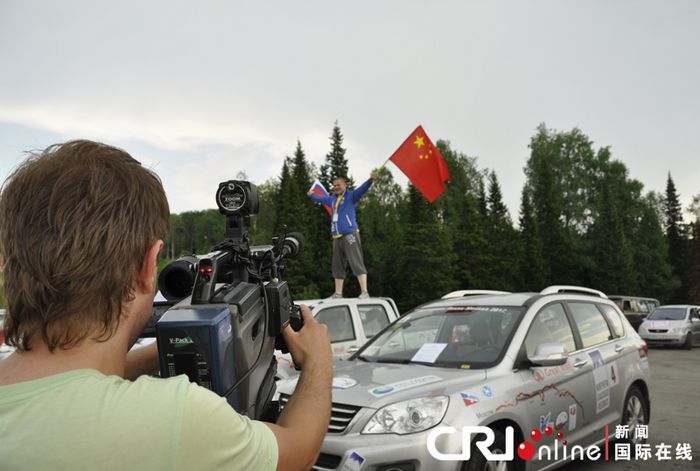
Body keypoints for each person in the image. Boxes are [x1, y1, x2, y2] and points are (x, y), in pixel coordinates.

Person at [0, 140, 333, 471]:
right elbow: (299, 452)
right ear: (148, 267)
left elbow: (71, 383)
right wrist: (319, 362)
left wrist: (169, 348)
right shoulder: (173, 417)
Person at [308, 171, 377, 299]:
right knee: (337, 265)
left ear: (344, 185)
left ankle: (364, 292)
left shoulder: (351, 196)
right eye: (334, 186)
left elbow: (362, 189)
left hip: (349, 234)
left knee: (356, 262)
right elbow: (321, 198)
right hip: (337, 236)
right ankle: (338, 294)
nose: (335, 187)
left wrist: (370, 180)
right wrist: (312, 195)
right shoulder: (332, 198)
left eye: (338, 185)